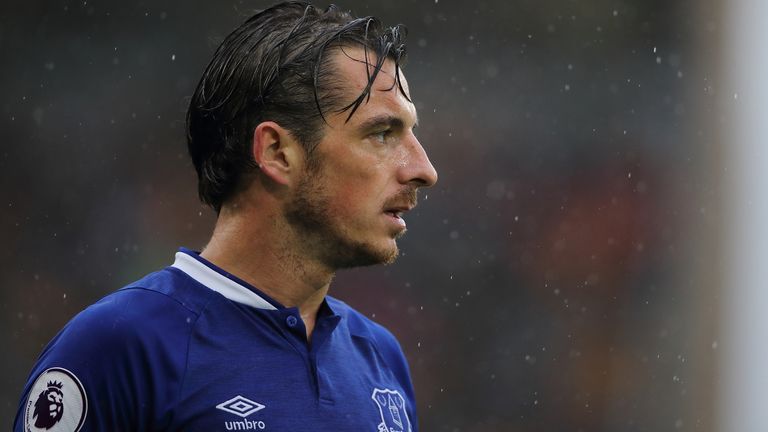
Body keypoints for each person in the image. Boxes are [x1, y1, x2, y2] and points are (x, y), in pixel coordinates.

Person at [14, 1, 437, 431]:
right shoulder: (119, 347)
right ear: (276, 153)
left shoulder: (381, 357)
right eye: (382, 134)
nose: (424, 170)